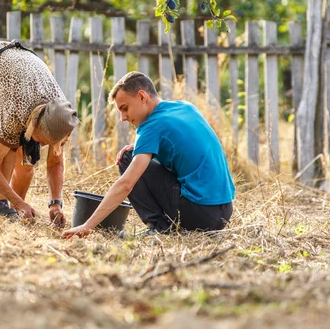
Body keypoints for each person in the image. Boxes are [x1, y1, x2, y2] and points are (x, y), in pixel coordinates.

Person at [63, 71, 234, 238]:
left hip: (200, 215)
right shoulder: (186, 108)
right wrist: (142, 147)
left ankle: (159, 228)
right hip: (224, 212)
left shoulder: (151, 126)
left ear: (142, 97)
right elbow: (184, 150)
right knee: (133, 154)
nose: (123, 117)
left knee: (126, 159)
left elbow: (126, 184)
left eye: (125, 108)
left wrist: (88, 225)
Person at [0, 40, 80, 224]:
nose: (43, 146)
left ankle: (14, 209)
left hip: (18, 73)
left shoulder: (60, 117)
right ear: (35, 123)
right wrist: (23, 204)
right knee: (13, 144)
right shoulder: (16, 112)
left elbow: (55, 161)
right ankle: (1, 206)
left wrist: (56, 203)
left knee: (26, 158)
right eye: (42, 141)